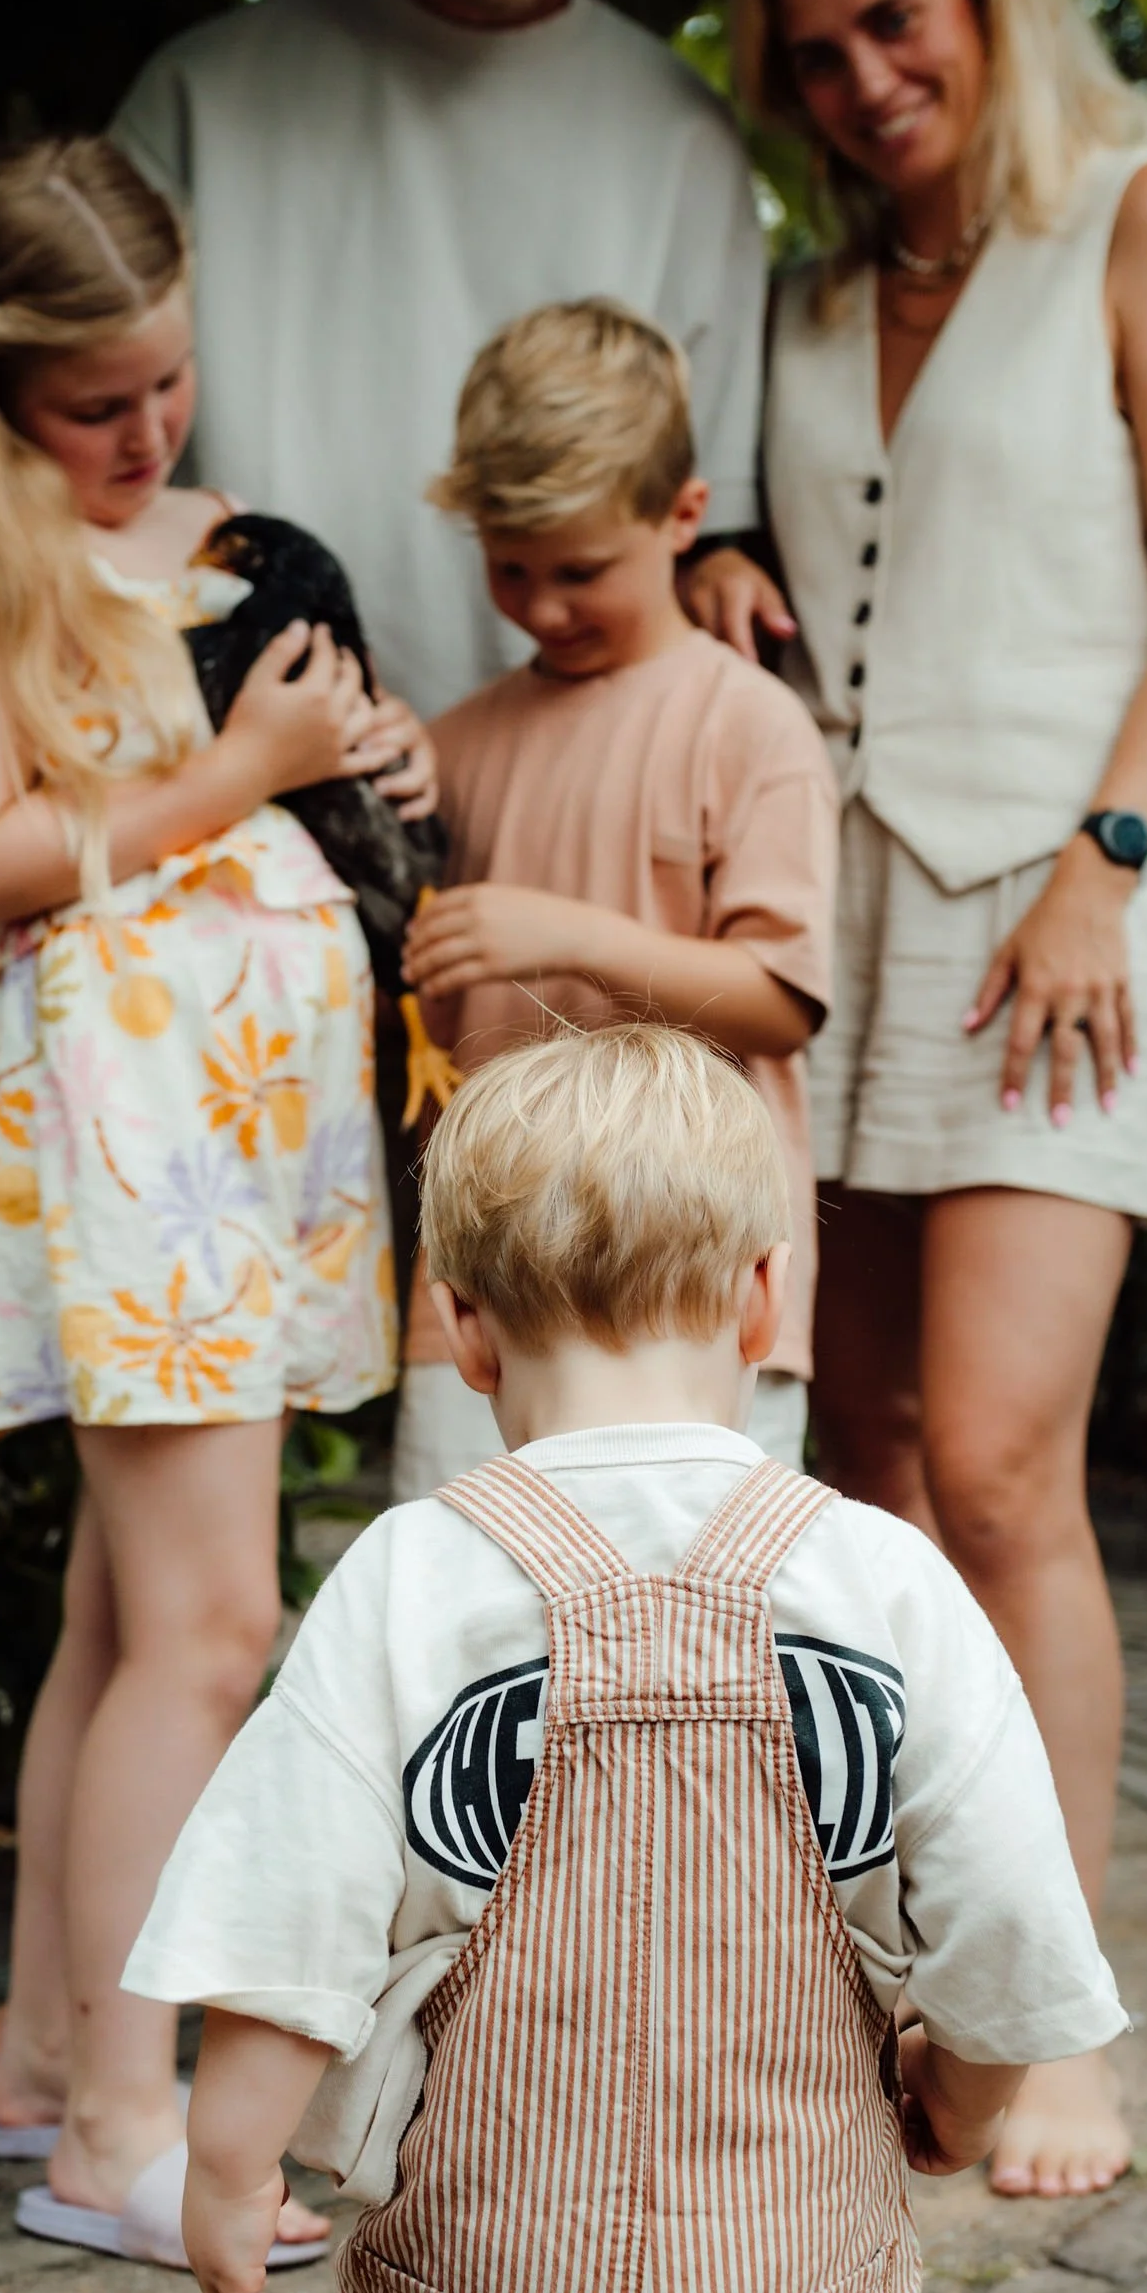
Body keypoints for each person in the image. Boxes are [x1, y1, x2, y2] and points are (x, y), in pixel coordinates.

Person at [129, 1025, 1125, 2293]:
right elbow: (1010, 1909)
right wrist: (964, 2088)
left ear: (459, 1325)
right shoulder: (881, 1578)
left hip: (497, 2247)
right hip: (794, 2266)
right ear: (767, 1298)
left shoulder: (420, 1572)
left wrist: (227, 2161)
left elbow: (297, 1902)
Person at [736, 0, 1147, 2202]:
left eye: (893, 17)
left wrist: (1105, 866)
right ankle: (903, 1973)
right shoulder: (791, 299)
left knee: (991, 1459)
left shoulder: (1136, 221)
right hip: (831, 930)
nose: (861, 79)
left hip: (1061, 910)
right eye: (813, 52)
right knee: (849, 1466)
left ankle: (1048, 2025)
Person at [0, 136, 408, 2265]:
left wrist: (363, 761)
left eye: (166, 385)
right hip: (140, 1132)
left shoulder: (214, 545)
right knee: (215, 1625)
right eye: (95, 403)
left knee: (127, 1610)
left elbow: (311, 781)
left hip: (246, 1122)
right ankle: (122, 2125)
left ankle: (38, 2074)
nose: (146, 432)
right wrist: (236, 776)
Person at [112, 0, 768, 721]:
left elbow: (704, 541)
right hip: (241, 796)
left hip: (574, 795)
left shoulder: (680, 139)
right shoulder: (200, 101)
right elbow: (60, 481)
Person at [392, 298, 837, 1495]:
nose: (541, 608)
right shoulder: (455, 746)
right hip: (486, 1293)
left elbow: (780, 1002)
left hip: (694, 1284)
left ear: (686, 515)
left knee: (702, 1632)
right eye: (509, 569)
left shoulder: (748, 724)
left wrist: (573, 940)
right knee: (469, 1629)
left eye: (580, 571)